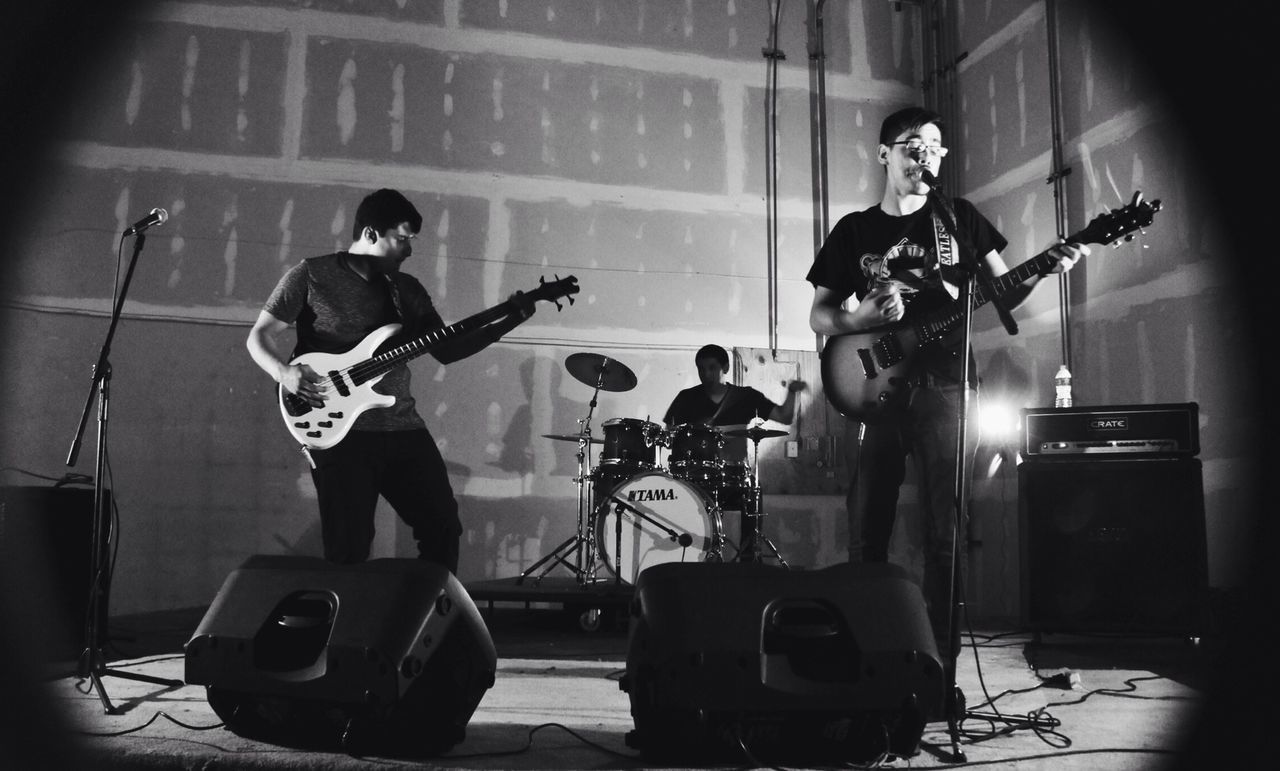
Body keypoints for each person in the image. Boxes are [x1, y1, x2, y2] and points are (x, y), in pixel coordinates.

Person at [806, 107, 1086, 676]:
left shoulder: (958, 220)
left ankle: (938, 668)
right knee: (868, 527)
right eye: (911, 144)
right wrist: (860, 316)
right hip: (875, 390)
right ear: (884, 154)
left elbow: (1006, 295)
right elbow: (820, 317)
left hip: (949, 389)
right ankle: (864, 657)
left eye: (934, 145)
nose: (924, 154)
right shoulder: (854, 231)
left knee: (945, 533)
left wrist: (1048, 266)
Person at [246, 188, 535, 571]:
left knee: (442, 527)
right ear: (369, 234)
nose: (409, 250)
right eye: (401, 240)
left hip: (401, 428)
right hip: (339, 436)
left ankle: (429, 620)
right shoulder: (311, 275)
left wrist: (510, 319)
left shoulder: (407, 291)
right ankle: (348, 629)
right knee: (348, 547)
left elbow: (447, 349)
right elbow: (259, 336)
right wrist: (285, 373)